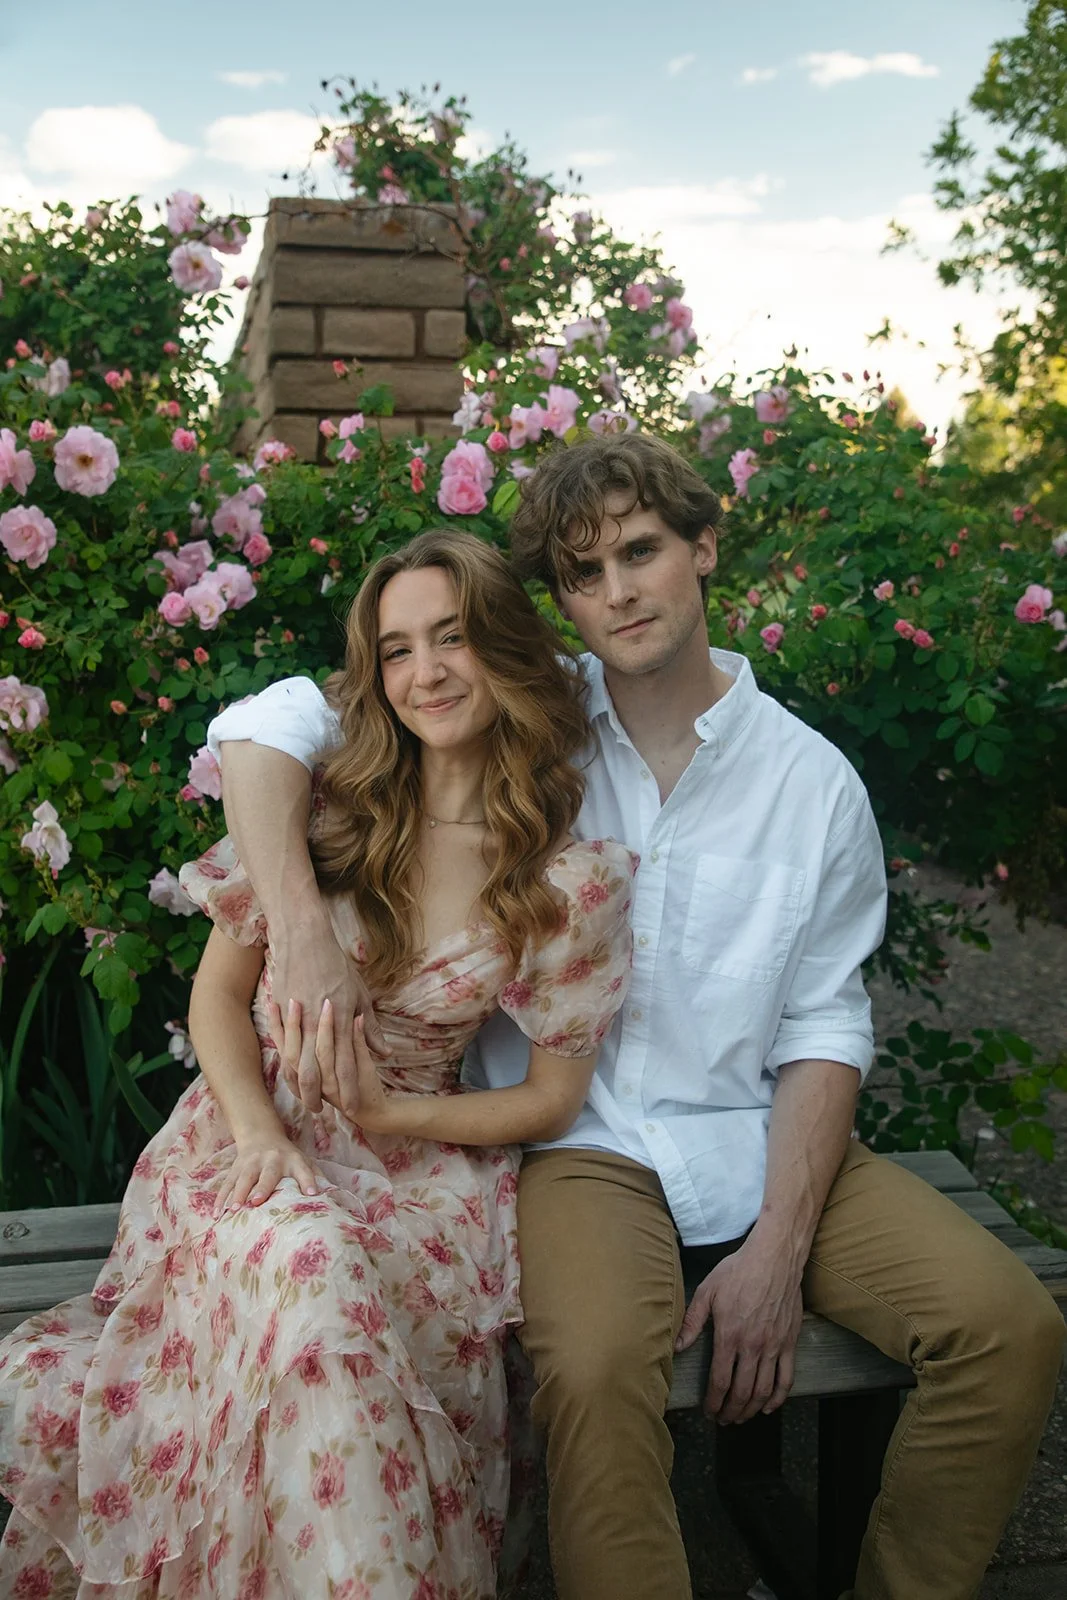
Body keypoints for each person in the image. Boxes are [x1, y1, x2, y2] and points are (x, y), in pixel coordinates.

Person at [204, 434, 1063, 1600]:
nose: (615, 592)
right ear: (558, 601)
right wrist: (298, 922)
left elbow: (822, 1022)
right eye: (581, 571)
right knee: (599, 1368)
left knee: (1007, 1327)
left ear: (704, 548)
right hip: (581, 1141)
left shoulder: (812, 788)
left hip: (754, 1130)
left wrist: (779, 1242)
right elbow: (273, 721)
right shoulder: (527, 723)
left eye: (641, 552)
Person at [0, 529, 637, 1600]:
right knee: (306, 1266)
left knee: (327, 1297)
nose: (426, 671)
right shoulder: (329, 814)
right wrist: (255, 1127)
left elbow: (546, 1098)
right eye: (395, 650)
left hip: (418, 1166)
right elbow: (215, 999)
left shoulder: (566, 880)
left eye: (452, 637)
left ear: (504, 650)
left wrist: (389, 1110)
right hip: (251, 1136)